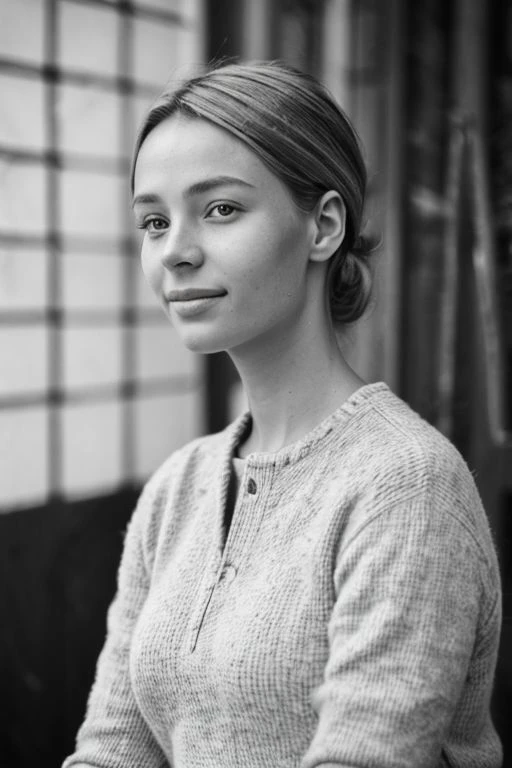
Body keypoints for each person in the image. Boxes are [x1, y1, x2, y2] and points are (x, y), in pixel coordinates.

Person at [63, 60, 502, 768]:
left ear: (323, 226)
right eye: (153, 221)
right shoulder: (178, 490)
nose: (174, 251)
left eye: (222, 209)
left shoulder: (406, 487)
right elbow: (114, 747)